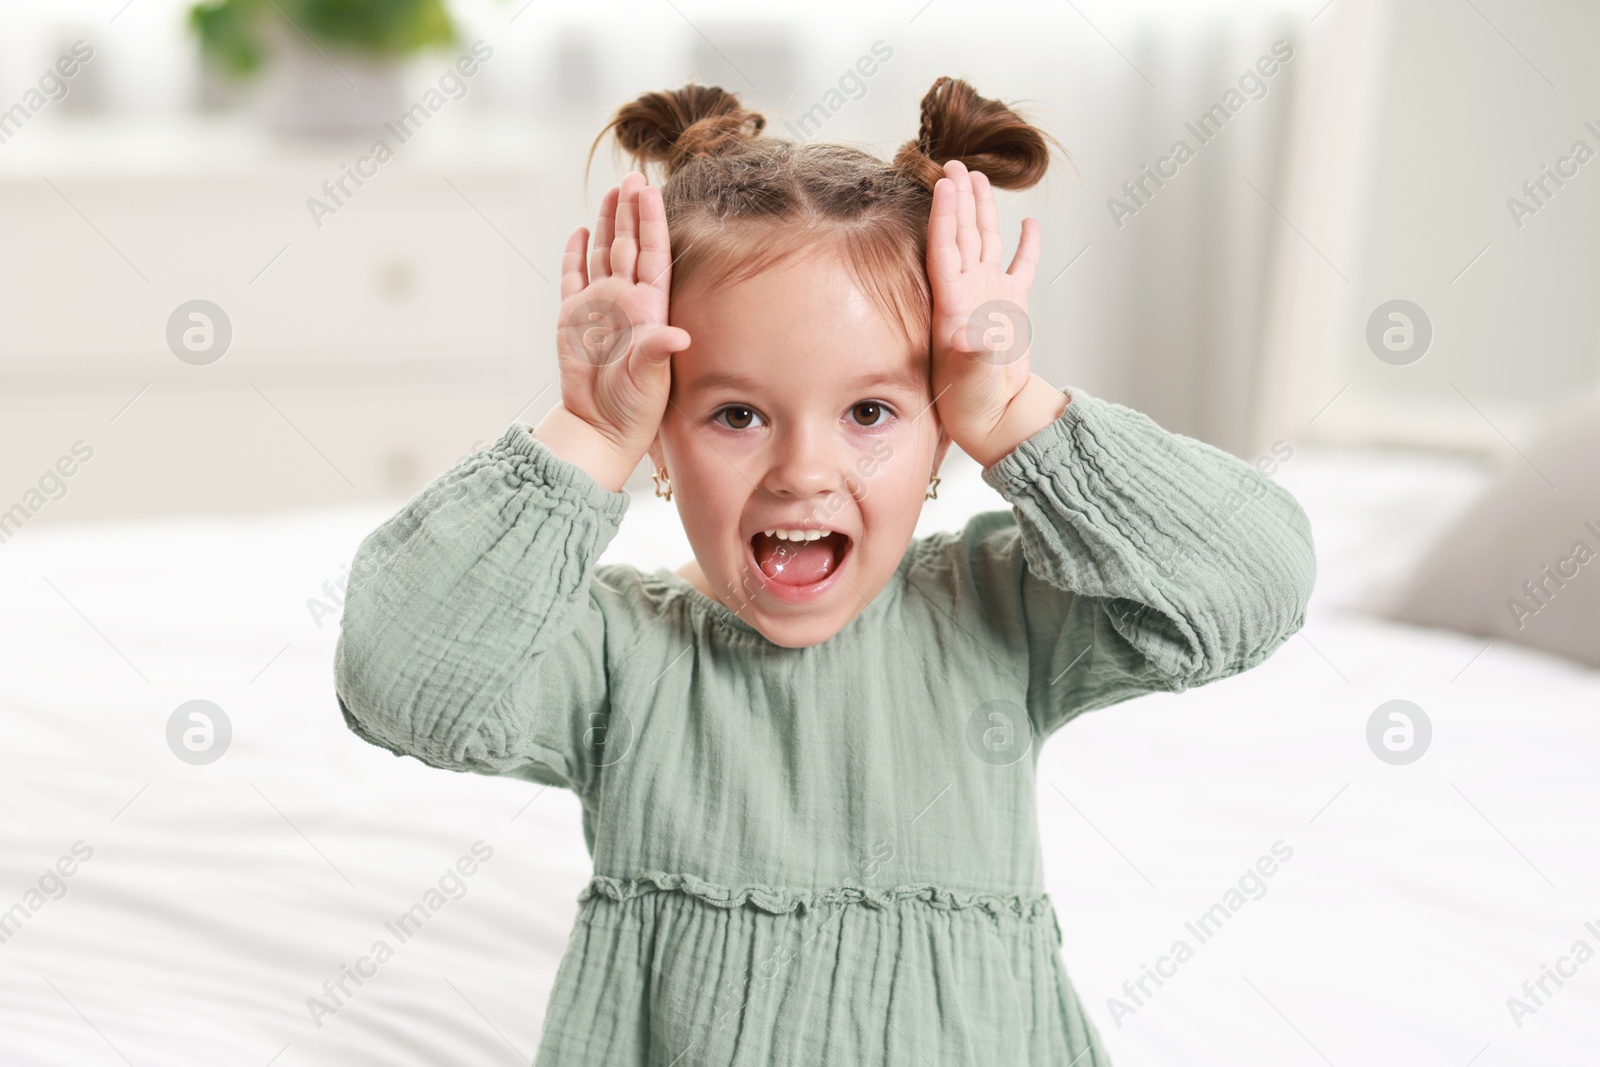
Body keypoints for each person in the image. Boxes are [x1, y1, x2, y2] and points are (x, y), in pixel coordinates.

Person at [333, 75, 1317, 1066]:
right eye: (735, 415)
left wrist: (1014, 412)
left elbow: (1250, 587)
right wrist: (585, 433)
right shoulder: (621, 655)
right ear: (659, 450)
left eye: (870, 414)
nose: (804, 471)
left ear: (942, 439)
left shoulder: (995, 617)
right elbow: (402, 681)